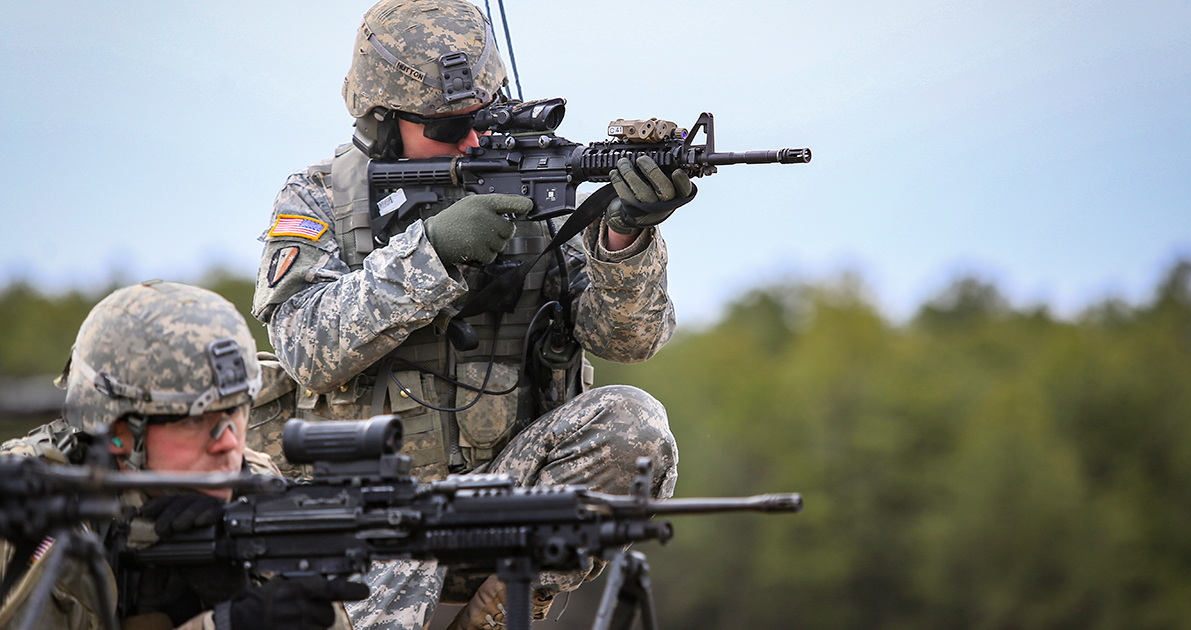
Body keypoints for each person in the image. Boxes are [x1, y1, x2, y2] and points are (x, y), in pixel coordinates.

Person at [247, 0, 694, 628]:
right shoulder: (323, 197)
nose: (475, 139)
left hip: (501, 499)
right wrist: (430, 253)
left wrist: (624, 239)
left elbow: (630, 340)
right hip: (363, 507)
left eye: (482, 117)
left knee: (634, 427)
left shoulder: (541, 184)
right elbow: (303, 347)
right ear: (381, 119)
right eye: (449, 129)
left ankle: (493, 613)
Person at [0, 280, 368, 630]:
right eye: (196, 419)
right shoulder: (29, 510)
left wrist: (238, 588)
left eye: (237, 410)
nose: (228, 442)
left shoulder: (251, 482)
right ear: (116, 431)